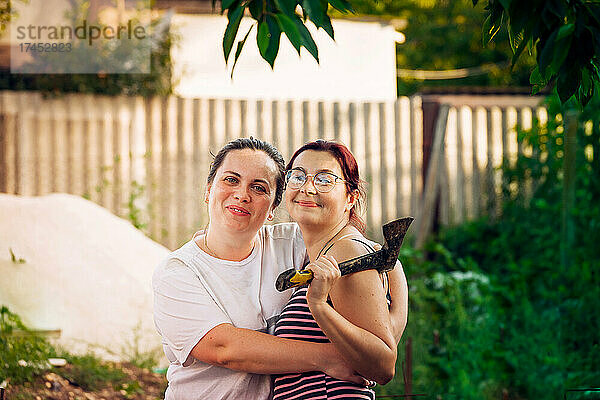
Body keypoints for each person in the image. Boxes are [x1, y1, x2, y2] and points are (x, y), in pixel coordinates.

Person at [153, 137, 408, 399]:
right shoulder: (178, 272)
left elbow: (374, 254)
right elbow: (223, 348)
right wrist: (330, 358)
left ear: (274, 206)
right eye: (231, 180)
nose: (242, 195)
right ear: (208, 189)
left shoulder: (293, 243)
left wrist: (391, 314)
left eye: (259, 188)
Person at [273, 140, 400, 399]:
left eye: (325, 180)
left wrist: (318, 306)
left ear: (350, 198)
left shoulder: (345, 252)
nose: (307, 188)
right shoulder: (331, 254)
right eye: (297, 176)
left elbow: (383, 365)